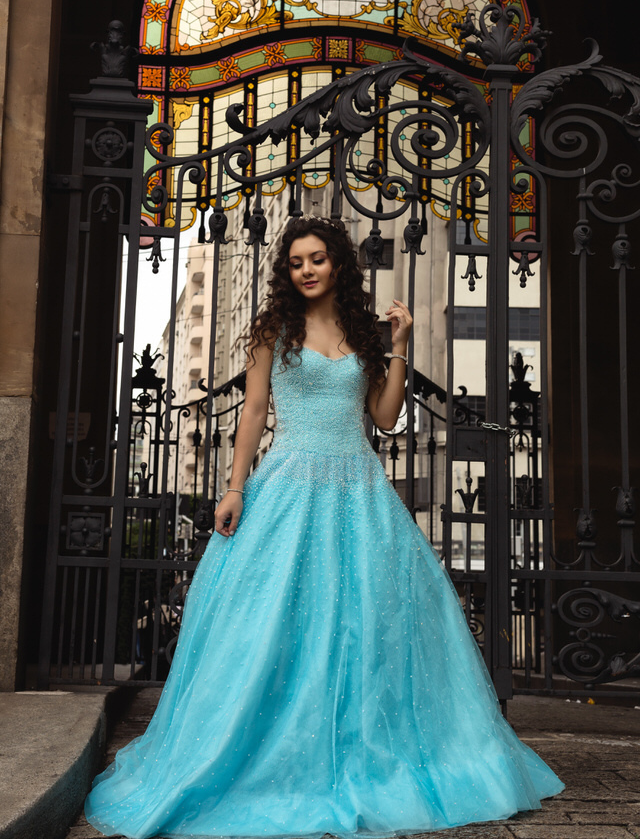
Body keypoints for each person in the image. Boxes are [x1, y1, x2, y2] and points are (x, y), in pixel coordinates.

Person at [85, 215, 563, 839]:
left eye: (316, 259)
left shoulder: (364, 332)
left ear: (337, 263)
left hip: (359, 488)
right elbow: (254, 410)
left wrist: (400, 344)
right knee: (276, 617)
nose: (306, 270)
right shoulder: (274, 329)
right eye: (295, 262)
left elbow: (385, 417)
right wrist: (234, 487)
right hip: (287, 484)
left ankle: (366, 747)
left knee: (365, 620)